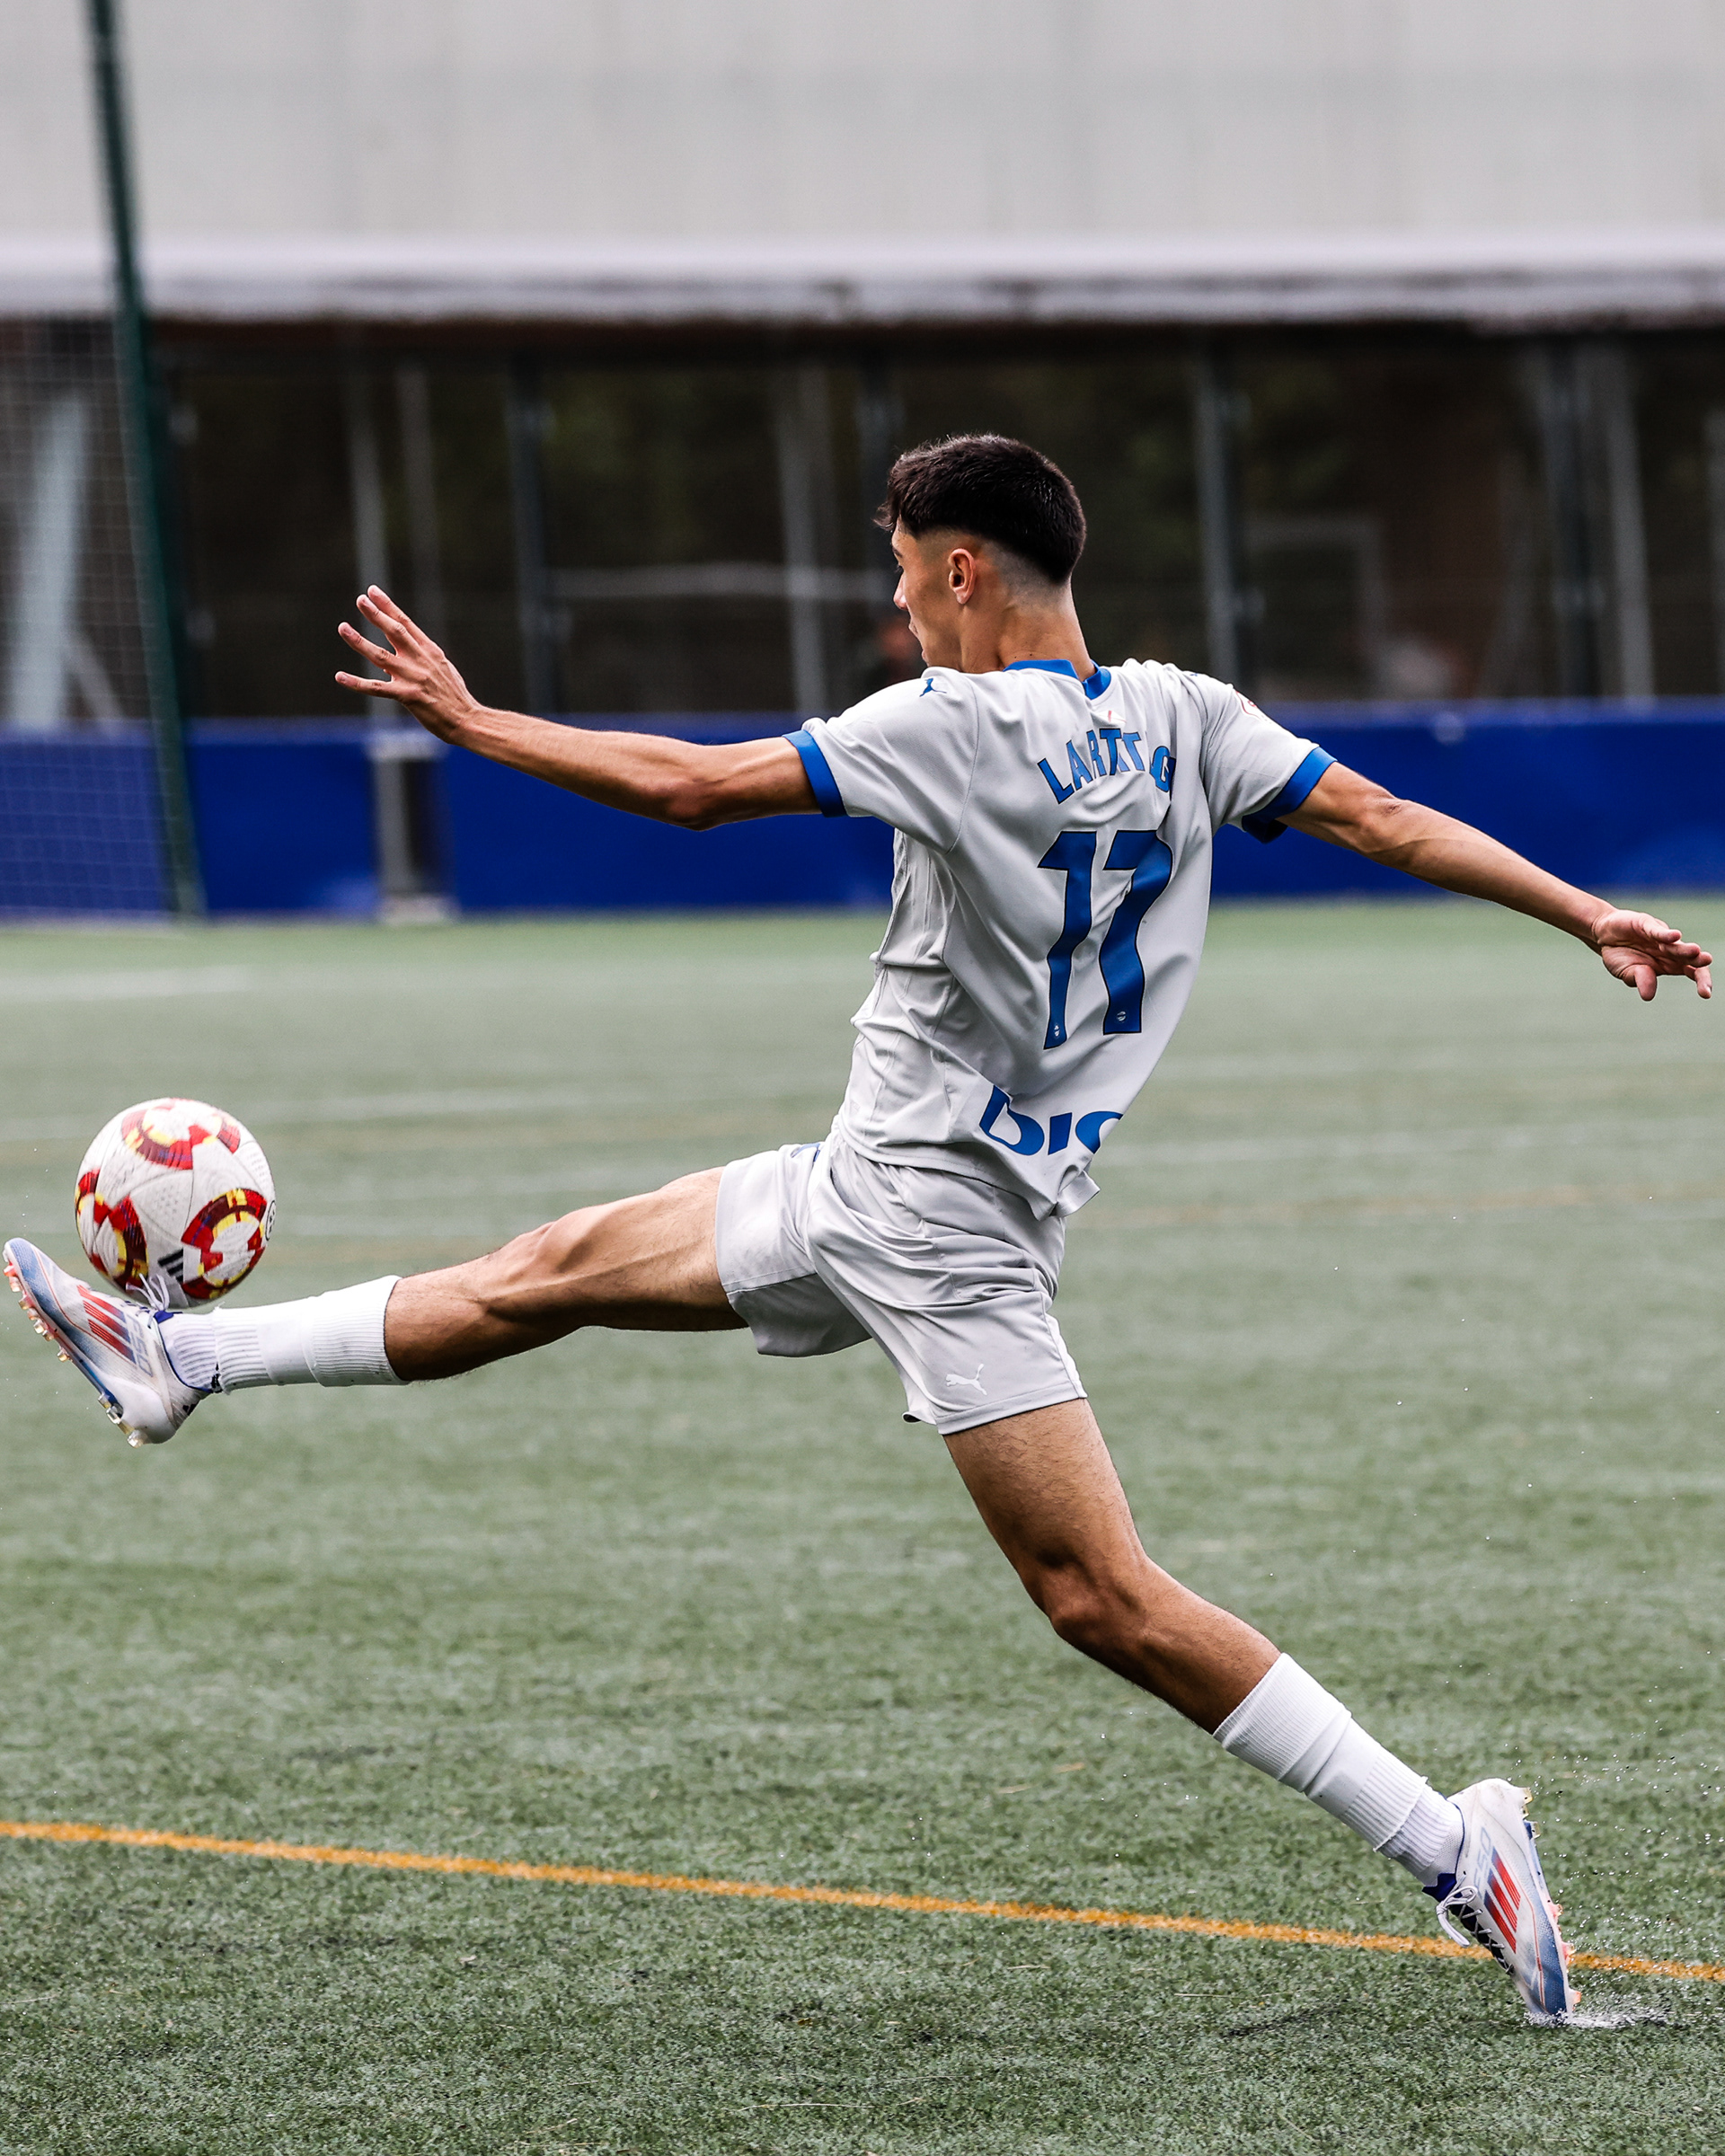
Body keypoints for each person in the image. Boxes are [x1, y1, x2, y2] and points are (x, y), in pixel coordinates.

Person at [9, 435, 1712, 2020]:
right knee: (552, 1271)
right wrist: (1585, 913)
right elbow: (1386, 818)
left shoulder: (949, 725)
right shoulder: (1190, 714)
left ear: (965, 570)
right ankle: (183, 1358)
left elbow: (693, 789)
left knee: (1099, 1595)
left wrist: (479, 723)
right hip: (874, 1185)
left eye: (904, 576)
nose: (898, 611)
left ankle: (1454, 1845)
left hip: (942, 1225)